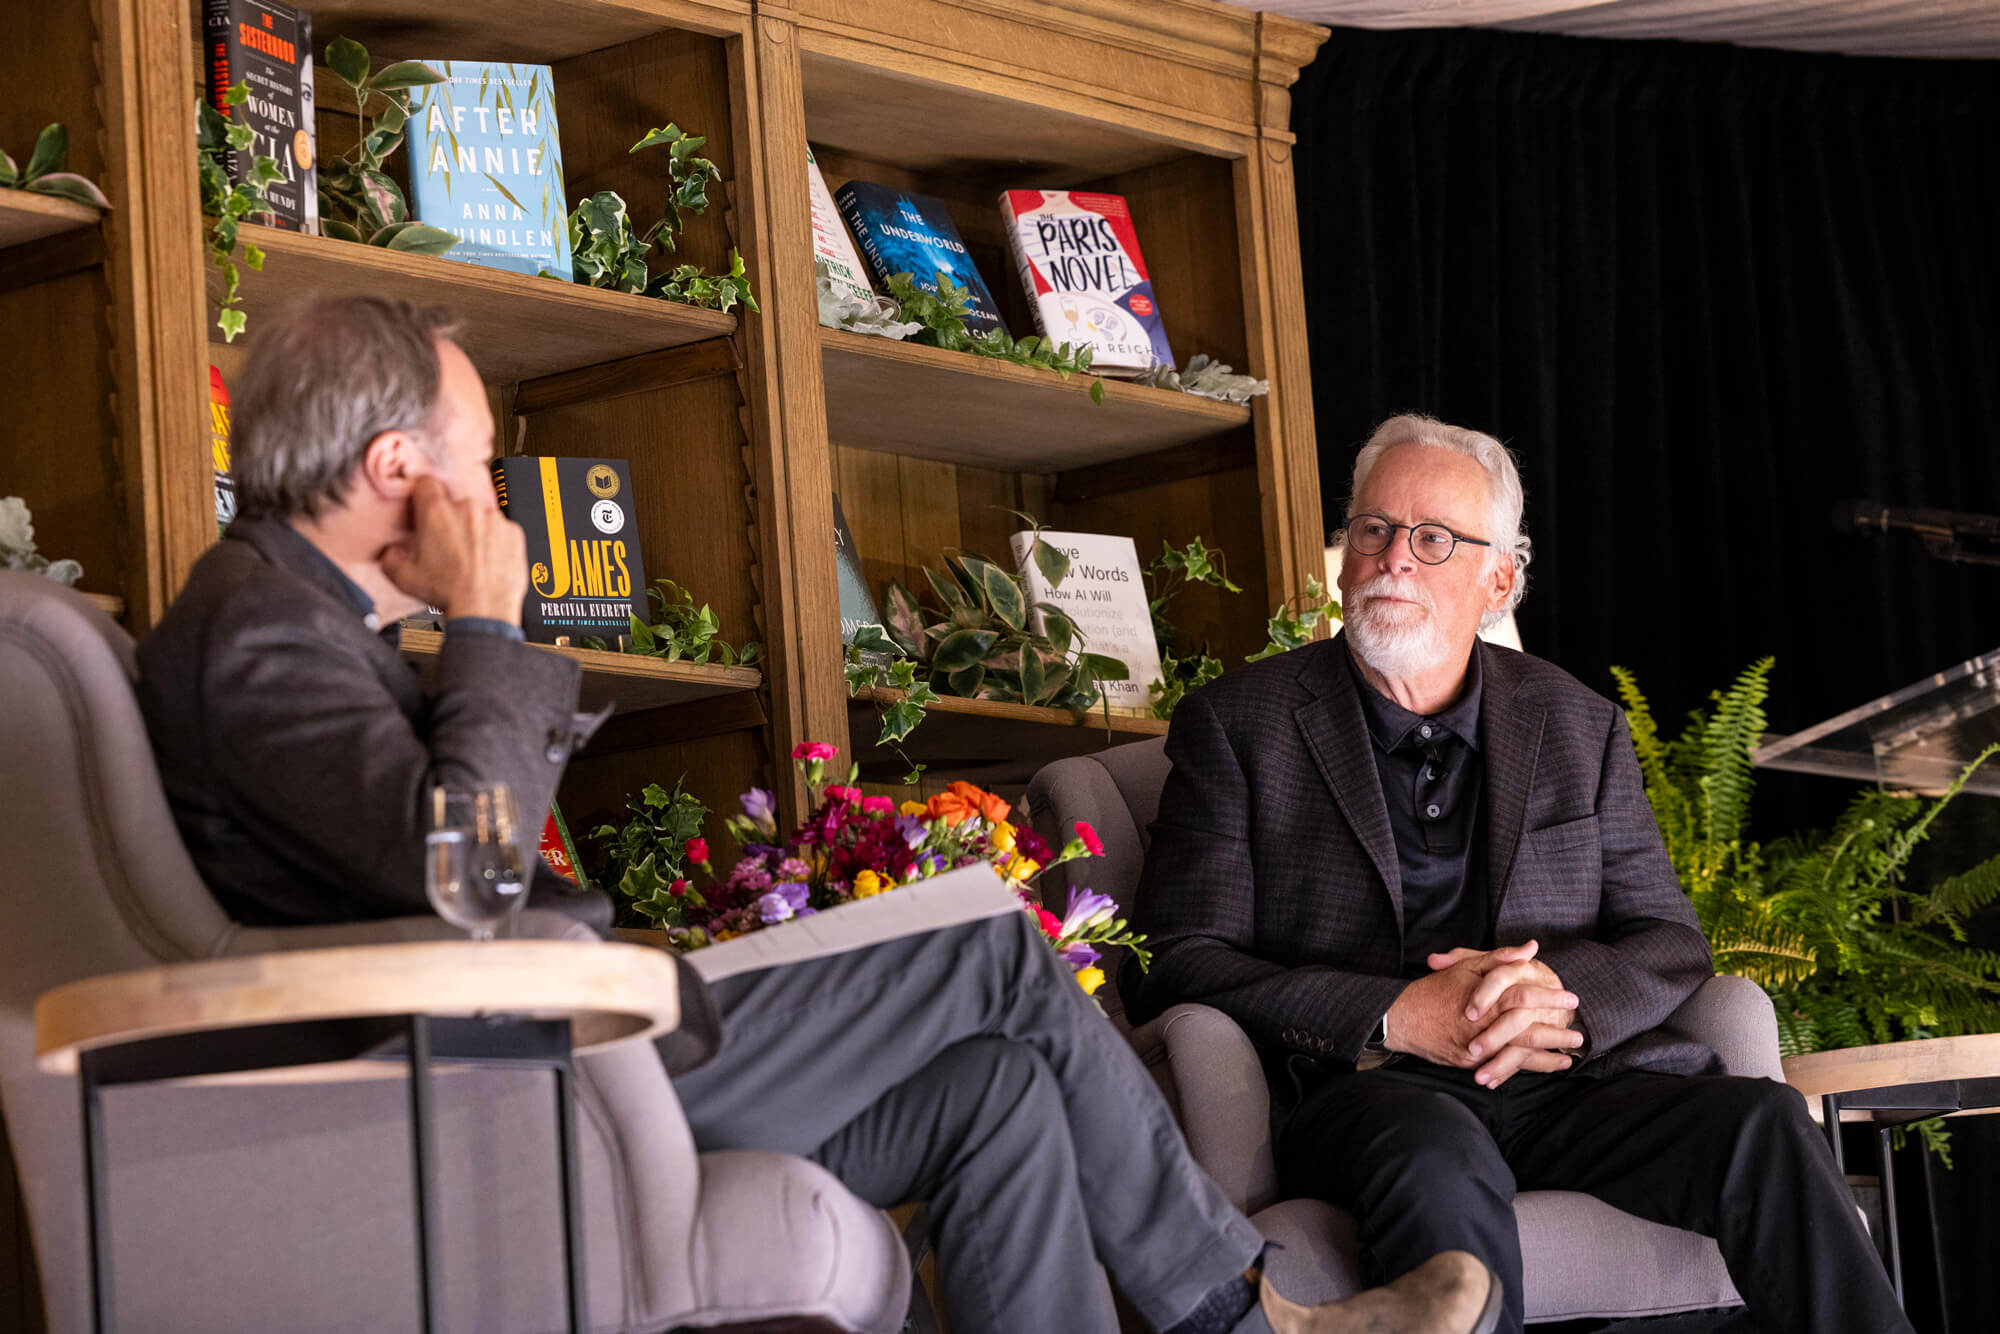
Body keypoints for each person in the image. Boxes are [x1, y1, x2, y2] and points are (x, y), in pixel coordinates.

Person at [135, 296, 1503, 1334]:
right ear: (395, 467)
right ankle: (1244, 1321)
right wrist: (489, 620)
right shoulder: (261, 636)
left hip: (572, 1043)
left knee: (997, 1089)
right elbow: (473, 874)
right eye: (482, 467)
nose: (498, 507)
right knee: (988, 947)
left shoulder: (290, 622)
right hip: (519, 1080)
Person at [1124, 413, 1914, 1334]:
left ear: (1498, 580)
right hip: (1369, 1091)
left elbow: (1668, 940)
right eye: (1374, 529)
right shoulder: (1240, 723)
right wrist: (1395, 1014)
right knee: (1436, 1164)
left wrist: (1553, 998)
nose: (1393, 558)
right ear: (1343, 561)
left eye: (1433, 538)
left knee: (1766, 1125)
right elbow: (1176, 957)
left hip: (1565, 1084)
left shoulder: (1578, 725)